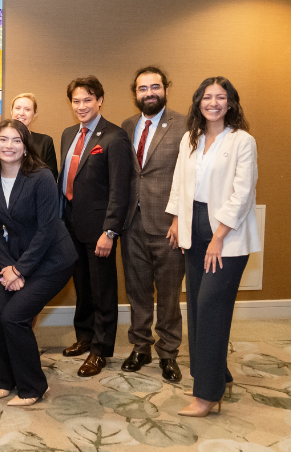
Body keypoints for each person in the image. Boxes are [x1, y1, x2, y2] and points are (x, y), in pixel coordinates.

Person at [167, 77, 259, 417]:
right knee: (195, 307)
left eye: (221, 97)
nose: (214, 103)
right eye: (208, 97)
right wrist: (176, 219)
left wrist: (219, 236)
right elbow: (180, 180)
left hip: (227, 236)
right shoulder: (190, 139)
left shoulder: (242, 141)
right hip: (194, 229)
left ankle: (207, 395)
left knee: (211, 310)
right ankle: (215, 374)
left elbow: (243, 192)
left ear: (231, 103)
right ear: (198, 102)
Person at [0, 120, 77, 406]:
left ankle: (34, 386)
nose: (9, 146)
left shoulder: (41, 176)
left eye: (16, 141)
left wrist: (20, 270)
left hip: (52, 260)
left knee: (14, 318)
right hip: (14, 257)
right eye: (3, 140)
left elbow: (48, 228)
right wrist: (10, 268)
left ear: (25, 147)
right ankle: (5, 379)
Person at [58, 76, 132, 377]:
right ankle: (84, 337)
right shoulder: (67, 134)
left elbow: (120, 189)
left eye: (87, 100)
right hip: (70, 223)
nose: (81, 106)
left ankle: (101, 349)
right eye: (76, 101)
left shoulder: (115, 137)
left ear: (99, 100)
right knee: (83, 285)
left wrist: (110, 231)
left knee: (102, 289)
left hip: (100, 227)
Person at [119, 67, 187, 382]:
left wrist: (179, 219)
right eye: (143, 88)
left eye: (155, 87)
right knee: (137, 291)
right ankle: (140, 346)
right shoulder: (128, 125)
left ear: (165, 88)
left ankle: (169, 353)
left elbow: (190, 179)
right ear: (136, 93)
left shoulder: (185, 125)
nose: (149, 93)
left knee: (169, 294)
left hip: (168, 225)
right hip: (132, 223)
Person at [10, 93, 58, 180]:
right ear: (11, 111)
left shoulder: (45, 142)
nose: (21, 113)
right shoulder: (1, 141)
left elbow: (52, 177)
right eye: (17, 108)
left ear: (35, 114)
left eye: (27, 109)